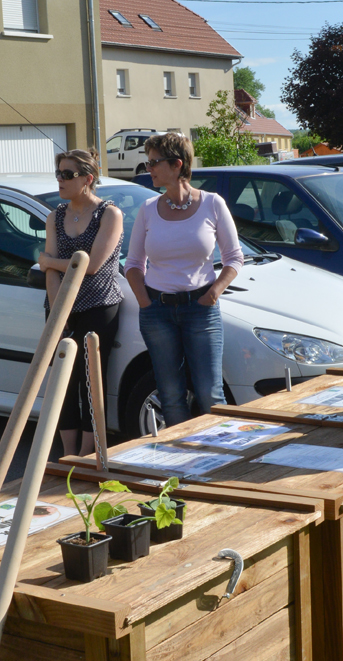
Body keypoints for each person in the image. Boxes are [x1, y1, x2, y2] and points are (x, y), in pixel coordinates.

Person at [125, 132, 243, 426]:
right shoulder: (148, 209)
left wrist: (213, 294)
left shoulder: (212, 204)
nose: (148, 169)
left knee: (209, 394)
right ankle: (181, 463)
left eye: (154, 162)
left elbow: (234, 258)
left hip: (201, 309)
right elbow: (133, 264)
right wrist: (145, 302)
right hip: (157, 311)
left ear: (177, 164)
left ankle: (220, 457)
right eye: (147, 162)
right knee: (171, 395)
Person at [39, 148, 124, 455]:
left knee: (91, 383)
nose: (60, 180)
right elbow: (49, 271)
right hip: (61, 310)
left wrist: (52, 261)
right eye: (58, 173)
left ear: (87, 179)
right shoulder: (56, 215)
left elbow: (91, 266)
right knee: (62, 383)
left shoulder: (109, 214)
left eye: (67, 174)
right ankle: (67, 455)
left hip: (99, 308)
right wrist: (57, 314)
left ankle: (89, 457)